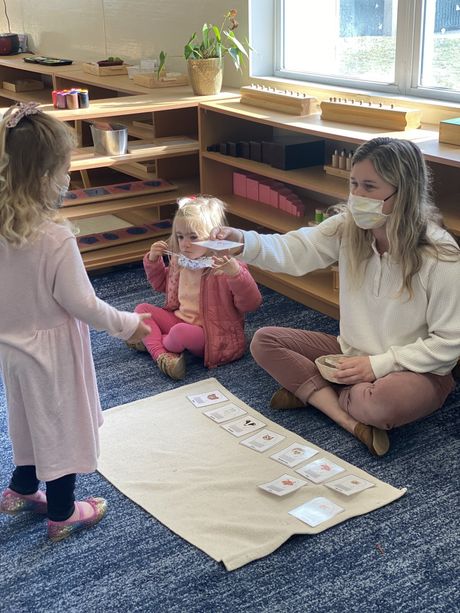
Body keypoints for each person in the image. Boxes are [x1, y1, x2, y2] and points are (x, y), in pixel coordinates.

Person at [211, 137, 460, 456]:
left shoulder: (440, 255)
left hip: (414, 369)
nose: (357, 196)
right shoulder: (348, 227)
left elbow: (450, 342)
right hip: (351, 354)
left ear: (405, 192)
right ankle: (347, 417)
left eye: (370, 187)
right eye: (353, 184)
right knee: (264, 341)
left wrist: (380, 365)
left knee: (383, 403)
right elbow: (296, 250)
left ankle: (315, 392)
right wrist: (243, 242)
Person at [0, 102, 150, 541]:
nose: (68, 178)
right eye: (64, 169)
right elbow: (83, 303)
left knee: (28, 419)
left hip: (12, 348)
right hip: (52, 351)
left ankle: (22, 488)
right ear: (45, 176)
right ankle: (63, 511)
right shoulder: (54, 237)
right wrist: (129, 323)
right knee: (61, 425)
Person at [130, 194, 262, 379]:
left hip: (212, 335)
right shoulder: (180, 261)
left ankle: (152, 341)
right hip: (179, 319)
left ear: (214, 238)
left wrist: (236, 274)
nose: (184, 244)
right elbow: (161, 285)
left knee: (179, 332)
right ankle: (161, 355)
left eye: (193, 237)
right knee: (142, 309)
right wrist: (153, 260)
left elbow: (251, 304)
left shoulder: (225, 267)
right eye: (180, 236)